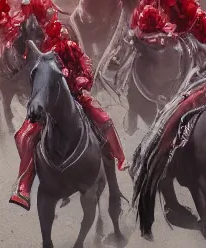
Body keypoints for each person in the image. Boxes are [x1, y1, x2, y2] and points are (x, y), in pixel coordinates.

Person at [10, 23, 126, 210]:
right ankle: (24, 186)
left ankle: (116, 156)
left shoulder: (72, 48)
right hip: (49, 102)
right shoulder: (42, 55)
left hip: (76, 95)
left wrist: (82, 79)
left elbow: (86, 66)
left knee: (102, 118)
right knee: (23, 136)